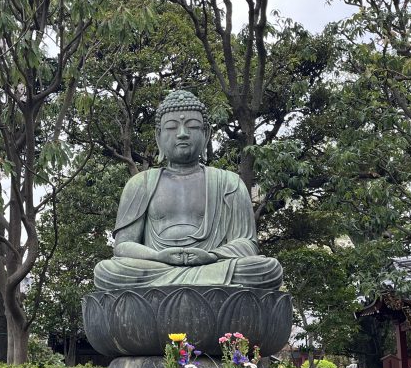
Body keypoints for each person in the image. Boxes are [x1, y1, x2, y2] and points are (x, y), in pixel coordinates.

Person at [93, 90, 282, 291]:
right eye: (172, 127)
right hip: (156, 267)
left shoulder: (229, 183)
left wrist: (212, 256)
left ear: (206, 134)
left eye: (192, 126)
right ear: (158, 136)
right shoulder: (141, 183)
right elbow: (122, 247)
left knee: (266, 269)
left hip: (213, 267)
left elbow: (247, 245)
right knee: (107, 271)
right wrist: (157, 256)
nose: (182, 133)